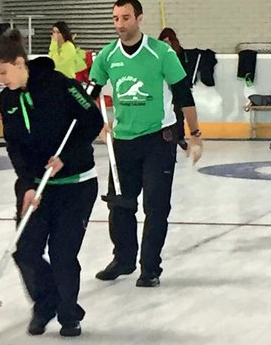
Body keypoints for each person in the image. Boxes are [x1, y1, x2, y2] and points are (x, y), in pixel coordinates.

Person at [0, 30, 103, 337]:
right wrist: (27, 184)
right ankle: (45, 303)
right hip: (36, 185)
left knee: (63, 253)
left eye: (3, 72)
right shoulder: (9, 98)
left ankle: (69, 313)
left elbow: (92, 121)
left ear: (19, 63)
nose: (0, 79)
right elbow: (14, 144)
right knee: (24, 249)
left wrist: (66, 157)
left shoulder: (61, 85)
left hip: (75, 184)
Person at [89, 0, 202, 288]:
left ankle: (150, 267)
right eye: (115, 18)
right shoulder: (106, 56)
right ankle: (123, 259)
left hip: (158, 140)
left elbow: (183, 94)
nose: (119, 24)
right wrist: (97, 124)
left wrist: (195, 134)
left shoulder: (161, 52)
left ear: (139, 18)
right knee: (119, 204)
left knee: (156, 206)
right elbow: (90, 92)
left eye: (125, 17)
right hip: (123, 141)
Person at [159, 27, 189, 150]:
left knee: (178, 113)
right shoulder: (158, 53)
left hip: (176, 87)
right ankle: (166, 135)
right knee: (164, 112)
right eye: (164, 41)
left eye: (168, 41)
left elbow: (183, 71)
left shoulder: (179, 53)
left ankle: (180, 137)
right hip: (163, 88)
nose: (166, 44)